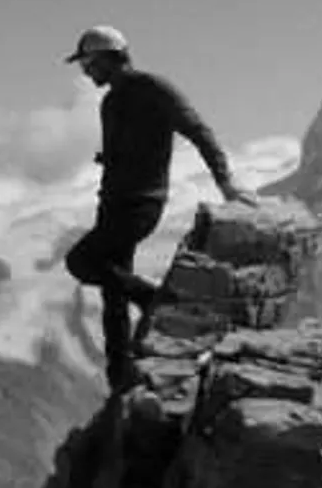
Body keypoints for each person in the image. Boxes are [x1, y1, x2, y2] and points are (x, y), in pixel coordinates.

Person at [61, 24, 254, 393]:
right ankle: (120, 376)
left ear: (105, 58)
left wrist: (225, 182)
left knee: (81, 262)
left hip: (140, 204)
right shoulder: (112, 100)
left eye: (86, 62)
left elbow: (197, 130)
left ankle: (157, 302)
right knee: (112, 294)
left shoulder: (152, 88)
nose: (84, 72)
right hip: (116, 204)